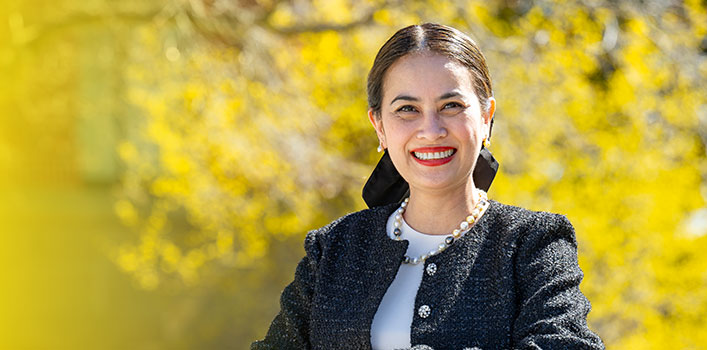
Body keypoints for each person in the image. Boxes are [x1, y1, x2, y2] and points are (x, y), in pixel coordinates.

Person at [251, 23, 604, 350]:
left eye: (451, 106)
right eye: (407, 109)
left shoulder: (533, 244)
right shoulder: (333, 249)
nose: (431, 130)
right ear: (379, 127)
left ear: (485, 117)